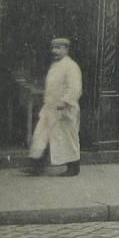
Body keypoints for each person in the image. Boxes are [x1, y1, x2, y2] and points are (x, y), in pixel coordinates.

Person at [27, 38, 83, 177]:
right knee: (41, 134)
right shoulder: (55, 66)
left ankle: (73, 167)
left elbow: (75, 88)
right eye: (53, 48)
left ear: (66, 49)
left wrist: (64, 103)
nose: (55, 51)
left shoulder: (71, 66)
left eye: (58, 48)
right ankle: (37, 165)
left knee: (67, 138)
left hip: (64, 109)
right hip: (50, 108)